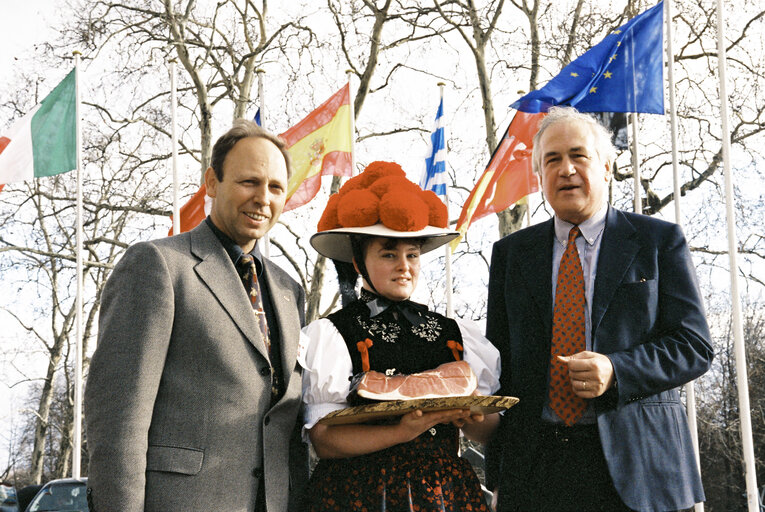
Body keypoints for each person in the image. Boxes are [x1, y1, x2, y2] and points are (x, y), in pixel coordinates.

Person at [486, 106, 714, 512]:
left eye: (579, 155)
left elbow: (693, 346)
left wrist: (617, 369)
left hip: (641, 469)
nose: (566, 169)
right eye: (551, 160)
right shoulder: (512, 255)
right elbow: (500, 358)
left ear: (607, 167)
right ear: (538, 176)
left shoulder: (657, 241)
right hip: (538, 474)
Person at [85, 120, 307, 512]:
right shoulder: (157, 266)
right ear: (212, 182)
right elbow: (119, 422)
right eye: (249, 182)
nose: (263, 198)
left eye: (275, 187)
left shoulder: (290, 290)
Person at [298, 161, 501, 511]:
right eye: (388, 254)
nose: (404, 266)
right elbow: (325, 440)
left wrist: (476, 419)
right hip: (359, 493)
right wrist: (402, 432)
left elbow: (489, 431)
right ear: (359, 263)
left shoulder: (457, 334)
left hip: (444, 494)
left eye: (412, 254)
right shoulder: (332, 334)